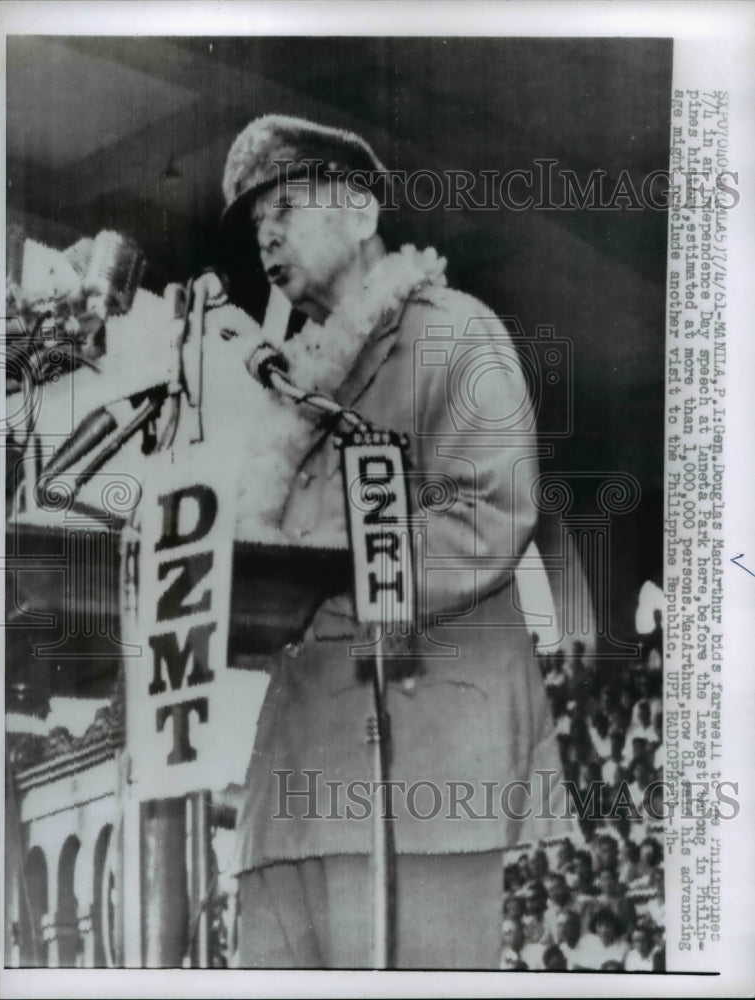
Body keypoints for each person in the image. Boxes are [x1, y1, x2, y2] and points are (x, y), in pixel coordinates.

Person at [220, 114, 571, 968]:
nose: (266, 236)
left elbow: (491, 511)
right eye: (257, 222)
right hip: (296, 779)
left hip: (423, 772)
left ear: (361, 213)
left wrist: (327, 566)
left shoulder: (454, 331)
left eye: (285, 207)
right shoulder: (297, 380)